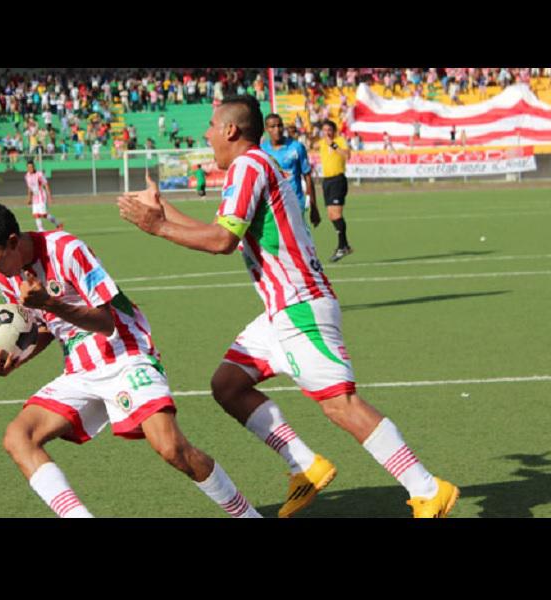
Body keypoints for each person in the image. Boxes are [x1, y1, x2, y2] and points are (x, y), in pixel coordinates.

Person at [117, 96, 459, 519]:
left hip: (299, 306)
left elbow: (221, 242)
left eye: (211, 126)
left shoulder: (248, 166)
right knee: (228, 385)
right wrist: (164, 212)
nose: (206, 134)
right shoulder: (253, 166)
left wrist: (158, 226)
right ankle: (305, 465)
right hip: (281, 311)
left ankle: (427, 488)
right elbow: (221, 232)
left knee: (341, 405)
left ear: (230, 130)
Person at [0, 200, 261, 519]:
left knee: (172, 448)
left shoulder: (66, 249)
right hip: (80, 368)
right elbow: (41, 328)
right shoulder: (4, 276)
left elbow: (106, 322)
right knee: (19, 438)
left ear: (12, 242)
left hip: (125, 352)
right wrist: (17, 359)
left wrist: (50, 302)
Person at [260, 114, 320, 231]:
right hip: (271, 203)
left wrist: (314, 206)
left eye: (280, 125)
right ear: (266, 129)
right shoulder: (262, 149)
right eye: (273, 126)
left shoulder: (297, 147)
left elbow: (307, 176)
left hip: (294, 202)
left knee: (295, 236)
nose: (277, 129)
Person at [318, 119, 353, 262]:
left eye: (329, 130)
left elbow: (347, 155)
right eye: (324, 130)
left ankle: (342, 246)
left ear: (334, 131)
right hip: (326, 181)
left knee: (337, 214)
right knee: (331, 215)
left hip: (338, 179)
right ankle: (344, 246)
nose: (327, 133)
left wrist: (333, 145)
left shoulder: (339, 141)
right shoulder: (321, 143)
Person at [24, 160, 63, 232]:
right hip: (34, 197)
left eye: (31, 167)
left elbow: (46, 185)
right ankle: (41, 230)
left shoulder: (39, 174)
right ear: (27, 168)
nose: (30, 169)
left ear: (34, 167)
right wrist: (29, 198)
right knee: (36, 214)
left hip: (41, 195)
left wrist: (50, 197)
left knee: (44, 214)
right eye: (28, 167)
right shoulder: (27, 176)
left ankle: (58, 223)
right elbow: (29, 188)